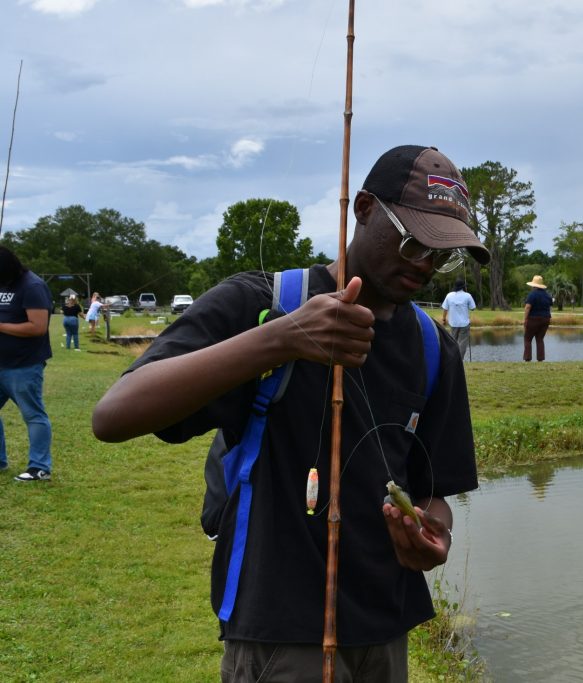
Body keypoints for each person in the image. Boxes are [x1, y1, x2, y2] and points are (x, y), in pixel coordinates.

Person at [92, 145, 489, 682]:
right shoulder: (264, 303)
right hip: (279, 635)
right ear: (365, 208)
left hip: (385, 632)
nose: (425, 264)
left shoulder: (433, 347)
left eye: (443, 254)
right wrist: (281, 339)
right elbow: (113, 416)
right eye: (413, 241)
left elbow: (431, 489)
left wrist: (432, 533)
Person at [0, 246, 55, 482]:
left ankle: (39, 468)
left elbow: (37, 327)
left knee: (33, 415)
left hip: (23, 366)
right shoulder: (2, 283)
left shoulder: (32, 286)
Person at [440, 277, 475, 360]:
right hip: (465, 324)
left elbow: (445, 309)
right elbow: (473, 308)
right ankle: (459, 360)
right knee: (462, 343)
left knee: (452, 342)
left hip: (453, 323)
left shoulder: (449, 295)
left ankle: (452, 359)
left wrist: (444, 319)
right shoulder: (468, 295)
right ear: (463, 286)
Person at [523, 275, 553, 362]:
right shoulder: (547, 295)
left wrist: (525, 319)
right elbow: (550, 307)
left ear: (534, 285)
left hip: (533, 319)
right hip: (546, 319)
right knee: (540, 339)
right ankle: (540, 358)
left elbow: (528, 307)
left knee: (527, 338)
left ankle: (527, 358)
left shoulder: (532, 294)